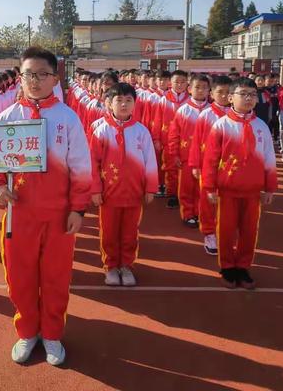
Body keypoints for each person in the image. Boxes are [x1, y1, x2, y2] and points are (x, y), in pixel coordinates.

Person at [0, 47, 92, 367]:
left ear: (54, 78)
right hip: (19, 215)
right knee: (20, 276)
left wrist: (78, 208)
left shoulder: (67, 118)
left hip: (58, 215)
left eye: (42, 74)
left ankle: (52, 333)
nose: (34, 81)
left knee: (55, 277)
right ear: (21, 77)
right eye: (28, 74)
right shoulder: (6, 118)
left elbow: (81, 166)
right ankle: (28, 330)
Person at [202, 77, 277, 289]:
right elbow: (210, 159)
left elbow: (269, 158)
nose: (248, 98)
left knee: (249, 231)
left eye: (252, 95)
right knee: (225, 231)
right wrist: (209, 187)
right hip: (227, 191)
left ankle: (243, 267)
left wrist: (269, 187)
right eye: (242, 94)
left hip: (253, 192)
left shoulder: (261, 126)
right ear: (230, 97)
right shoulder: (222, 125)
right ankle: (227, 267)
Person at [90, 83, 158, 287]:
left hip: (134, 194)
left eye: (129, 100)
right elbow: (92, 162)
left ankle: (127, 266)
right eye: (119, 100)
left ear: (135, 104)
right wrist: (95, 189)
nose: (124, 104)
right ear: (109, 103)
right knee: (109, 233)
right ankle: (111, 266)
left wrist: (150, 188)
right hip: (109, 194)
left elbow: (150, 161)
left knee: (130, 233)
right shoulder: (100, 130)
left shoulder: (141, 132)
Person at [188, 75, 232, 254]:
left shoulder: (235, 115)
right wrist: (196, 165)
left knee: (227, 201)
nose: (223, 96)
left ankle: (224, 232)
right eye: (219, 92)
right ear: (212, 93)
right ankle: (209, 233)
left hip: (230, 167)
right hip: (208, 166)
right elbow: (196, 142)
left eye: (228, 92)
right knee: (208, 201)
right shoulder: (206, 114)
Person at [168, 74, 211, 228]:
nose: (200, 91)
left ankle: (200, 212)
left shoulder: (212, 111)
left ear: (209, 91)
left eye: (204, 88)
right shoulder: (183, 110)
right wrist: (175, 154)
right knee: (186, 187)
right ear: (190, 89)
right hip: (186, 156)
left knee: (203, 187)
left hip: (207, 158)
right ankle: (187, 213)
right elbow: (174, 134)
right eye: (197, 87)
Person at [151, 70, 189, 208]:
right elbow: (157, 120)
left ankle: (184, 195)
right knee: (170, 168)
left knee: (185, 169)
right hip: (167, 140)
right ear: (170, 83)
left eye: (182, 82)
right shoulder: (164, 99)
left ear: (187, 83)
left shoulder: (190, 100)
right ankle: (172, 194)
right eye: (176, 82)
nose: (179, 85)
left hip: (186, 142)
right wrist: (156, 139)